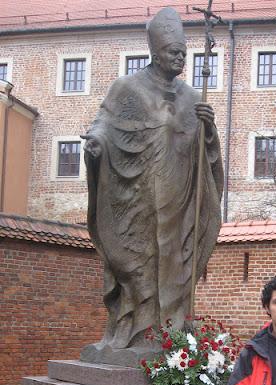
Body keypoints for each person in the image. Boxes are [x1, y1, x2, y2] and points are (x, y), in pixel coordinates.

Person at [82, 7, 223, 364]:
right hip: (135, 198)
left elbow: (204, 154)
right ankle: (132, 334)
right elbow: (103, 124)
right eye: (174, 52)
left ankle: (172, 336)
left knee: (175, 264)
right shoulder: (126, 88)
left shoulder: (193, 96)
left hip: (179, 200)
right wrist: (96, 144)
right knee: (137, 266)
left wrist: (209, 132)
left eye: (184, 54)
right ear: (156, 52)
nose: (180, 59)